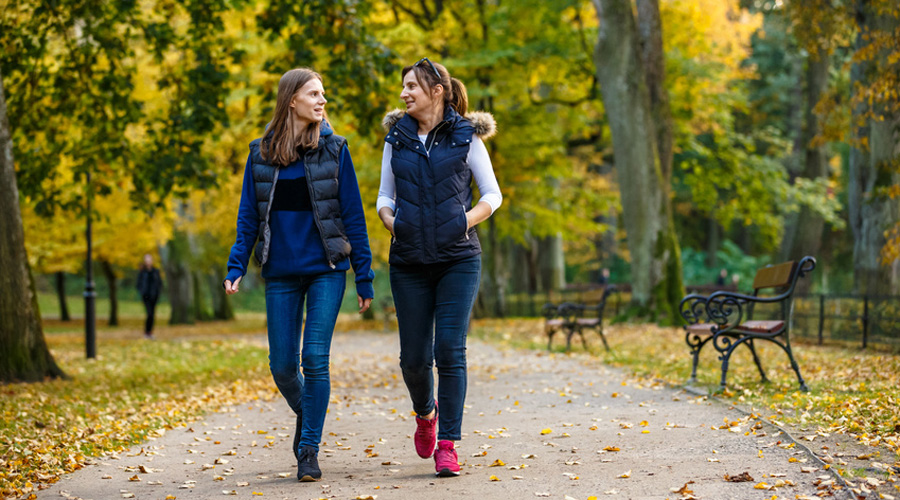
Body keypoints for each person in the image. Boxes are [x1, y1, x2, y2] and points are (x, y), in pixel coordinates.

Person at [223, 68, 374, 482]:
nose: (323, 100)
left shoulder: (335, 149)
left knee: (314, 359)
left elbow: (353, 217)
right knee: (283, 366)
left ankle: (308, 449)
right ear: (292, 100)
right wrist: (236, 264)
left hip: (326, 270)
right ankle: (310, 414)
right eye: (315, 94)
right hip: (281, 272)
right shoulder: (260, 154)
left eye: (324, 94)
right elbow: (248, 217)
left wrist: (364, 274)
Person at [377, 57, 502, 477]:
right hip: (409, 260)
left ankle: (447, 443)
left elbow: (493, 194)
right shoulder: (396, 138)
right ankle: (424, 413)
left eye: (411, 86)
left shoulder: (466, 136)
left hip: (458, 259)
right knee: (413, 359)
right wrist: (394, 223)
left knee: (449, 348)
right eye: (403, 86)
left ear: (437, 91)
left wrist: (463, 221)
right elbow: (384, 197)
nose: (404, 93)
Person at [136, 253, 162, 339]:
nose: (148, 262)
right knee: (149, 314)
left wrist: (158, 292)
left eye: (149, 260)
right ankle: (147, 332)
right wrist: (142, 292)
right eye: (146, 260)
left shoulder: (155, 271)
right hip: (146, 296)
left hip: (154, 296)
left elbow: (159, 283)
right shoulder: (142, 272)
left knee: (152, 314)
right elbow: (139, 284)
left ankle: (150, 332)